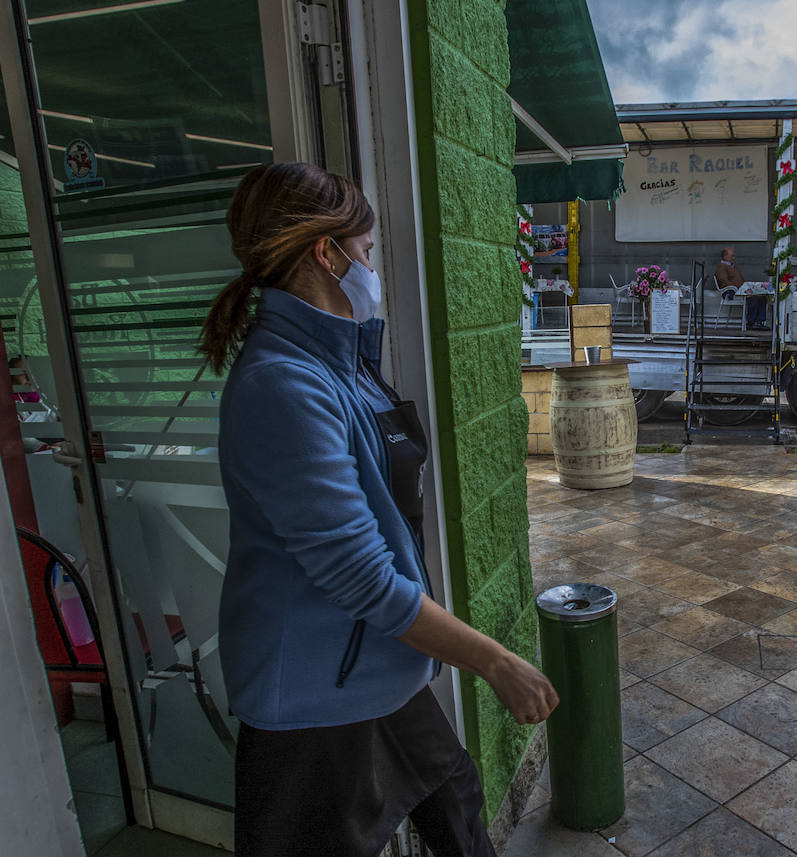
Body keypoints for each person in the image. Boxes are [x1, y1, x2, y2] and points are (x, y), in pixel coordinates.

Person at [199, 163, 558, 857]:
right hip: (313, 697)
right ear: (324, 254)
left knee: (455, 800)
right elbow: (361, 576)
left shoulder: (339, 362)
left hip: (376, 663)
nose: (371, 267)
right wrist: (496, 661)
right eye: (363, 251)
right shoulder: (281, 384)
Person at [715, 247, 767, 329]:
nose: (733, 258)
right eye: (732, 256)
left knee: (762, 297)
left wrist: (746, 288)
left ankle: (759, 321)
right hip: (730, 292)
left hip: (741, 290)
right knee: (754, 299)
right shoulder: (721, 267)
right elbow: (724, 281)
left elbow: (741, 281)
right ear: (725, 257)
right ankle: (751, 322)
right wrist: (740, 289)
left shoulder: (733, 267)